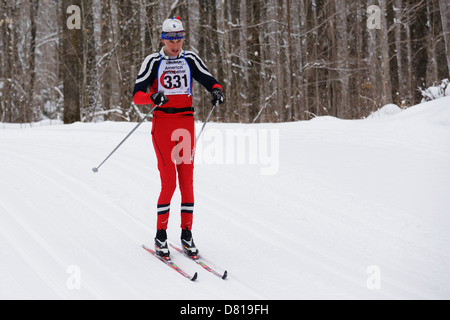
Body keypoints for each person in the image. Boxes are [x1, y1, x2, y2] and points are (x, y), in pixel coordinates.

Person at [132, 17, 224, 260]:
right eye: (171, 39)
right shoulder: (153, 61)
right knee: (169, 182)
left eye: (179, 38)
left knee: (187, 181)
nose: (175, 44)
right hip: (162, 124)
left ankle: (186, 234)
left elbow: (210, 80)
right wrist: (152, 98)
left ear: (184, 37)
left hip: (185, 125)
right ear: (163, 38)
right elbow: (137, 95)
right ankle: (160, 235)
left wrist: (216, 91)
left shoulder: (190, 59)